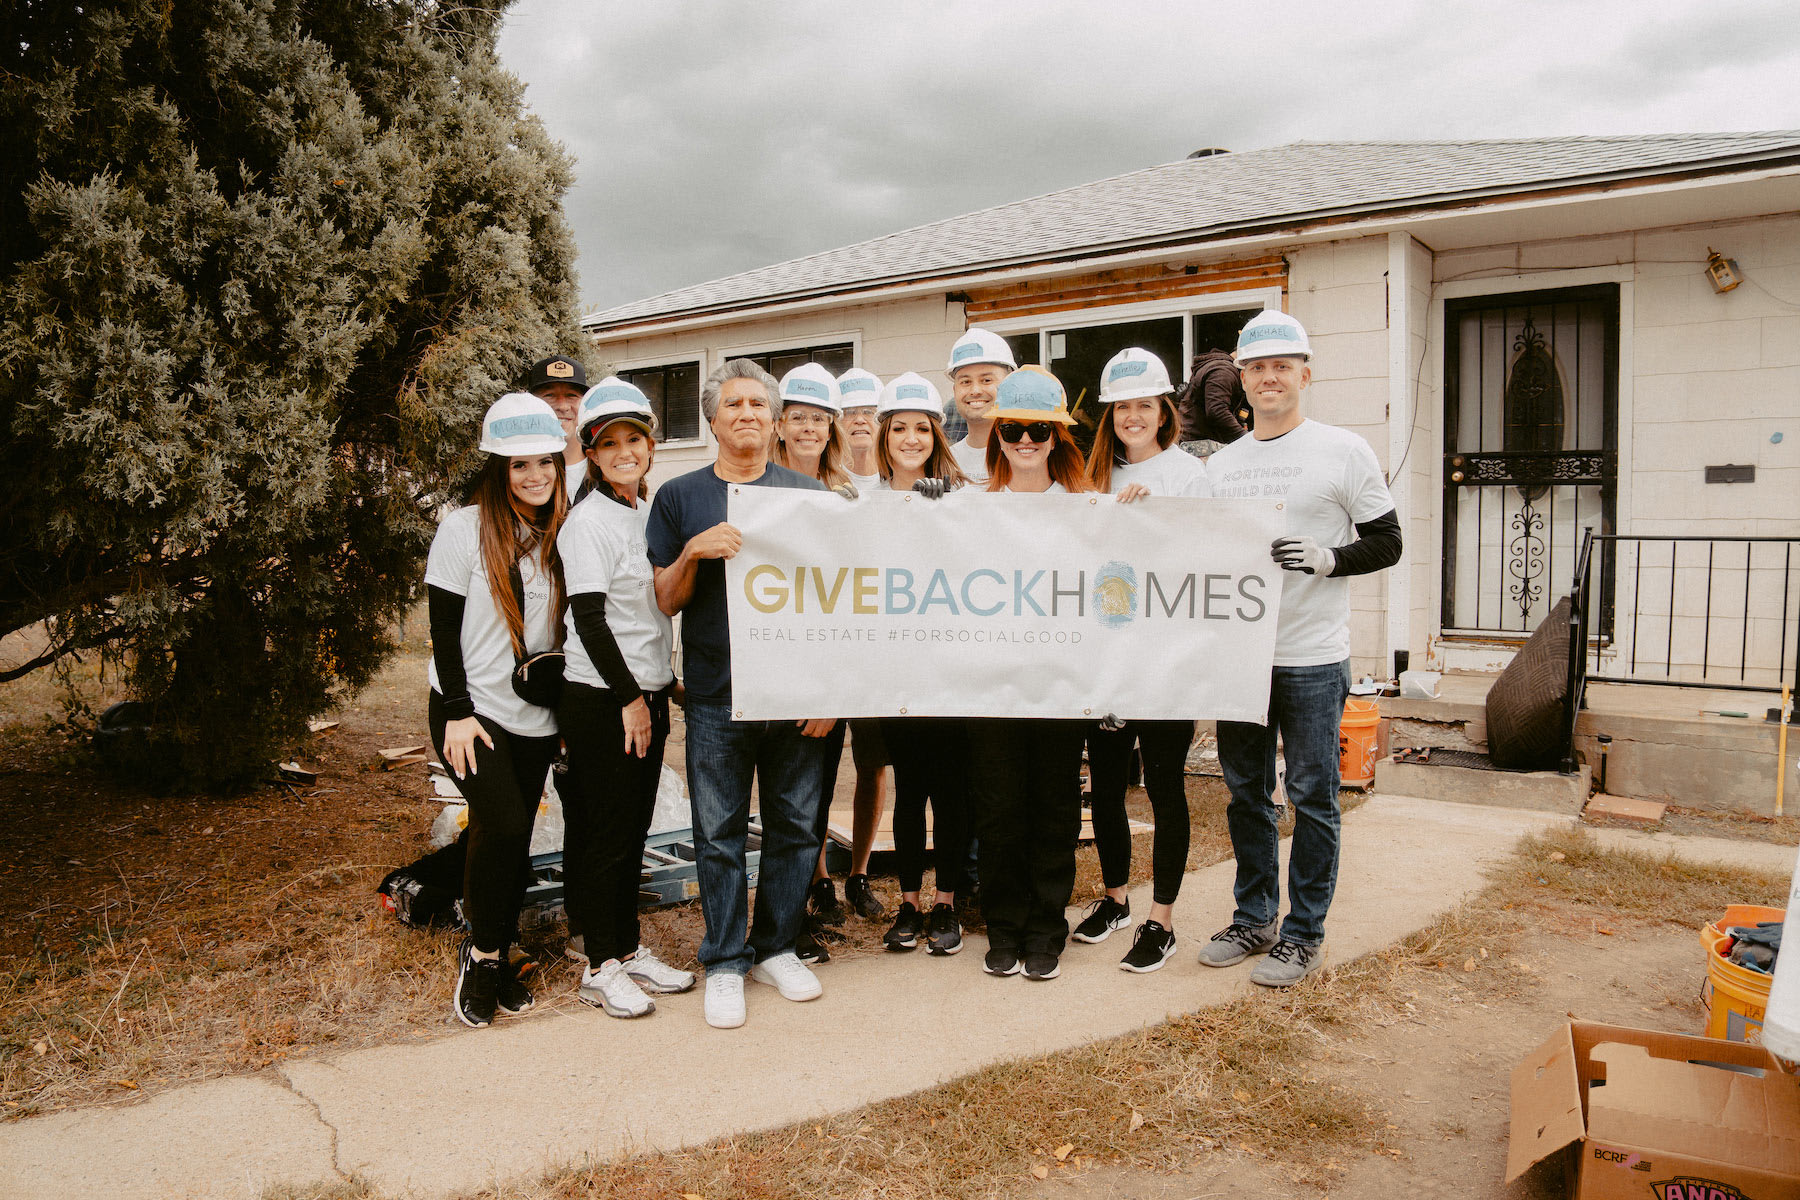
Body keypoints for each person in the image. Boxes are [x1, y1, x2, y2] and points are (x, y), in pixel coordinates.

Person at [1202, 310, 1402, 987]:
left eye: (1281, 366)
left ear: (1305, 375)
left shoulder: (1343, 451)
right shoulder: (1223, 465)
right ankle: (1254, 916)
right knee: (1245, 795)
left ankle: (1303, 933)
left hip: (1313, 657)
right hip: (1242, 657)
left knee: (1313, 795)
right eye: (1256, 367)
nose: (1268, 377)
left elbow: (1388, 540)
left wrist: (1328, 558)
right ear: (1241, 379)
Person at [646, 359, 834, 1029]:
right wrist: (692, 553)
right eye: (734, 404)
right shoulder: (679, 497)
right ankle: (725, 960)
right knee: (718, 832)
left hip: (792, 694)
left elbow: (829, 602)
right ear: (713, 418)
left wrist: (828, 692)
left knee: (796, 828)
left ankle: (776, 946)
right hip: (715, 694)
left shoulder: (803, 494)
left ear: (776, 418)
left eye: (759, 403)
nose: (747, 413)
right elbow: (664, 598)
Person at [424, 392, 569, 1028]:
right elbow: (441, 629)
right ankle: (483, 955)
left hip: (536, 711)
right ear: (497, 470)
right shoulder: (463, 530)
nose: (535, 476)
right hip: (471, 708)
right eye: (519, 465)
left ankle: (500, 941)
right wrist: (456, 710)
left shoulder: (562, 532)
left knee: (505, 834)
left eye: (545, 463)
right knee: (505, 823)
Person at [556, 379, 695, 1018]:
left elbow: (651, 611)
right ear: (591, 453)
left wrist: (663, 685)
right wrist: (630, 699)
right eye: (608, 443)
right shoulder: (587, 523)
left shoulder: (646, 512)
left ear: (650, 447)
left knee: (635, 827)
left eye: (633, 439)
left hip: (645, 692)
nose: (623, 451)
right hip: (603, 699)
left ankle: (629, 948)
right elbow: (589, 618)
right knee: (607, 831)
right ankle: (600, 963)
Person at [1074, 348, 1210, 972]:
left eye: (1143, 405)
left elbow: (1208, 560)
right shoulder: (1089, 473)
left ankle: (1163, 920)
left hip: (1165, 661)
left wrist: (1157, 514)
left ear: (1164, 411)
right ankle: (1116, 899)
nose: (1132, 416)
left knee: (1163, 786)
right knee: (1104, 786)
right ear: (1110, 413)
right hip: (1105, 656)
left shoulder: (1189, 475)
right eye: (1122, 406)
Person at [971, 366, 1093, 981]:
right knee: (997, 814)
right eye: (1013, 429)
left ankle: (1047, 926)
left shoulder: (1086, 510)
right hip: (992, 692)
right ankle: (1004, 927)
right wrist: (923, 508)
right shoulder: (969, 509)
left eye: (1038, 432)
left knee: (1052, 812)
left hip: (1060, 690)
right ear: (997, 435)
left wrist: (1142, 515)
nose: (1024, 441)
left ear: (1056, 440)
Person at [866, 373, 972, 955]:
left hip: (950, 667)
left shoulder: (961, 497)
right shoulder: (863, 499)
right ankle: (908, 901)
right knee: (910, 790)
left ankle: (947, 903)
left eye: (921, 429)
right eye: (899, 428)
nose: (911, 439)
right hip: (895, 668)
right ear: (884, 435)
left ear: (937, 434)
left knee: (952, 789)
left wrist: (945, 510)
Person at [944, 328, 1016, 487]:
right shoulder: (945, 460)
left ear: (1009, 385)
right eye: (965, 382)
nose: (975, 391)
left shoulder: (1027, 455)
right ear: (955, 391)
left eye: (986, 380)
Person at [771, 362, 850, 491]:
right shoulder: (761, 486)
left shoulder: (840, 488)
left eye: (818, 418)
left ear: (829, 432)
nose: (809, 427)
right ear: (780, 428)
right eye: (797, 417)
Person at [523, 355, 592, 500]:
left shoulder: (604, 469)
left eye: (571, 395)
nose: (562, 406)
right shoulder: (518, 478)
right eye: (550, 395)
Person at [1174, 335, 1249, 455]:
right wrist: (1246, 439)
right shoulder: (1223, 372)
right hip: (1199, 448)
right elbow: (1217, 411)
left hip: (1194, 444)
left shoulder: (1216, 367)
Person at [836, 367, 885, 493]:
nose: (859, 420)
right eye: (849, 412)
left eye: (868, 412)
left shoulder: (898, 476)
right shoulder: (825, 478)